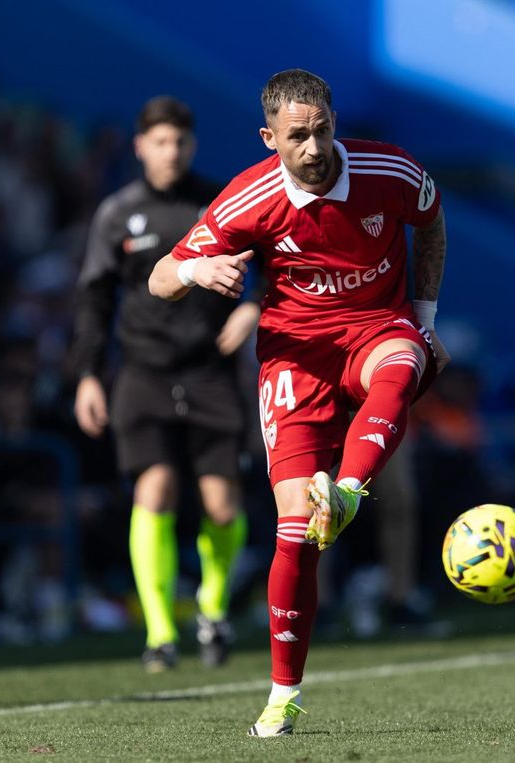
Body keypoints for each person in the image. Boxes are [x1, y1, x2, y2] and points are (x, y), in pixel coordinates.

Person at [149, 68, 449, 737]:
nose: (313, 148)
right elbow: (159, 275)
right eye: (296, 137)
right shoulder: (245, 200)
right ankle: (283, 695)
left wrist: (425, 319)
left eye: (321, 131)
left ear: (335, 123)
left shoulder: (390, 171)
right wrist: (199, 268)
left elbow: (430, 223)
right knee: (295, 533)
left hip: (376, 327)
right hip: (295, 358)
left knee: (403, 361)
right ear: (269, 138)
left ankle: (345, 491)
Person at [70, 96, 256, 672]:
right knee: (154, 491)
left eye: (178, 141)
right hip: (145, 371)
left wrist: (256, 312)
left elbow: (281, 264)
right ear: (140, 147)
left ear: (191, 146)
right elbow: (95, 300)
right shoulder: (116, 214)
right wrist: (87, 376)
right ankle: (158, 632)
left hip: (210, 370)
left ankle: (213, 607)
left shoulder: (220, 202)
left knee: (222, 505)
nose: (169, 151)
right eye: (159, 141)